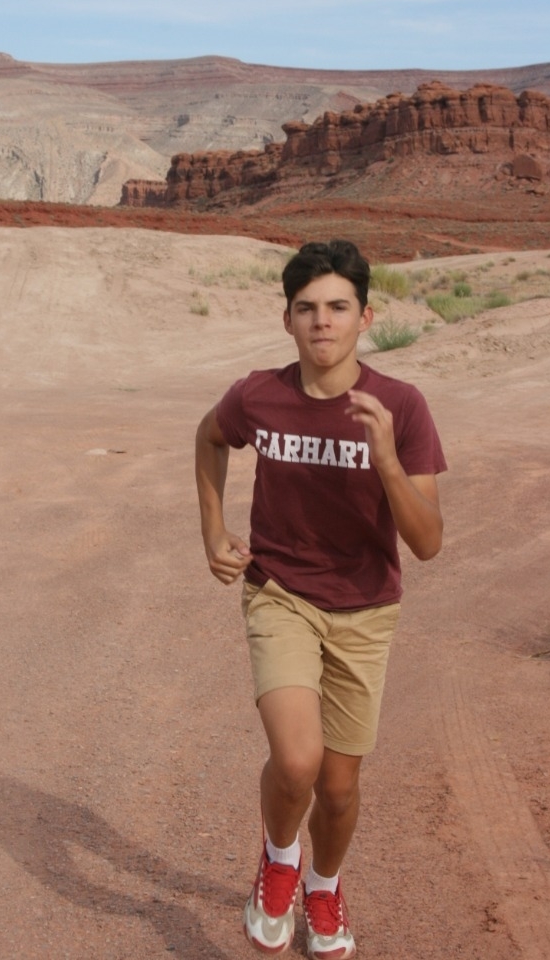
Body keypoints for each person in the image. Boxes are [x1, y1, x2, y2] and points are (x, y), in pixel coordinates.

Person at [195, 240, 446, 958]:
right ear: (287, 320)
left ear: (365, 317)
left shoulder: (401, 405)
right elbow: (209, 438)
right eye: (306, 309)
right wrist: (212, 530)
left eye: (338, 307)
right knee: (298, 761)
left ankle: (324, 884)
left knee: (336, 789)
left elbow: (427, 542)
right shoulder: (257, 395)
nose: (322, 322)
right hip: (280, 594)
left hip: (366, 611)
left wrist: (386, 458)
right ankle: (279, 862)